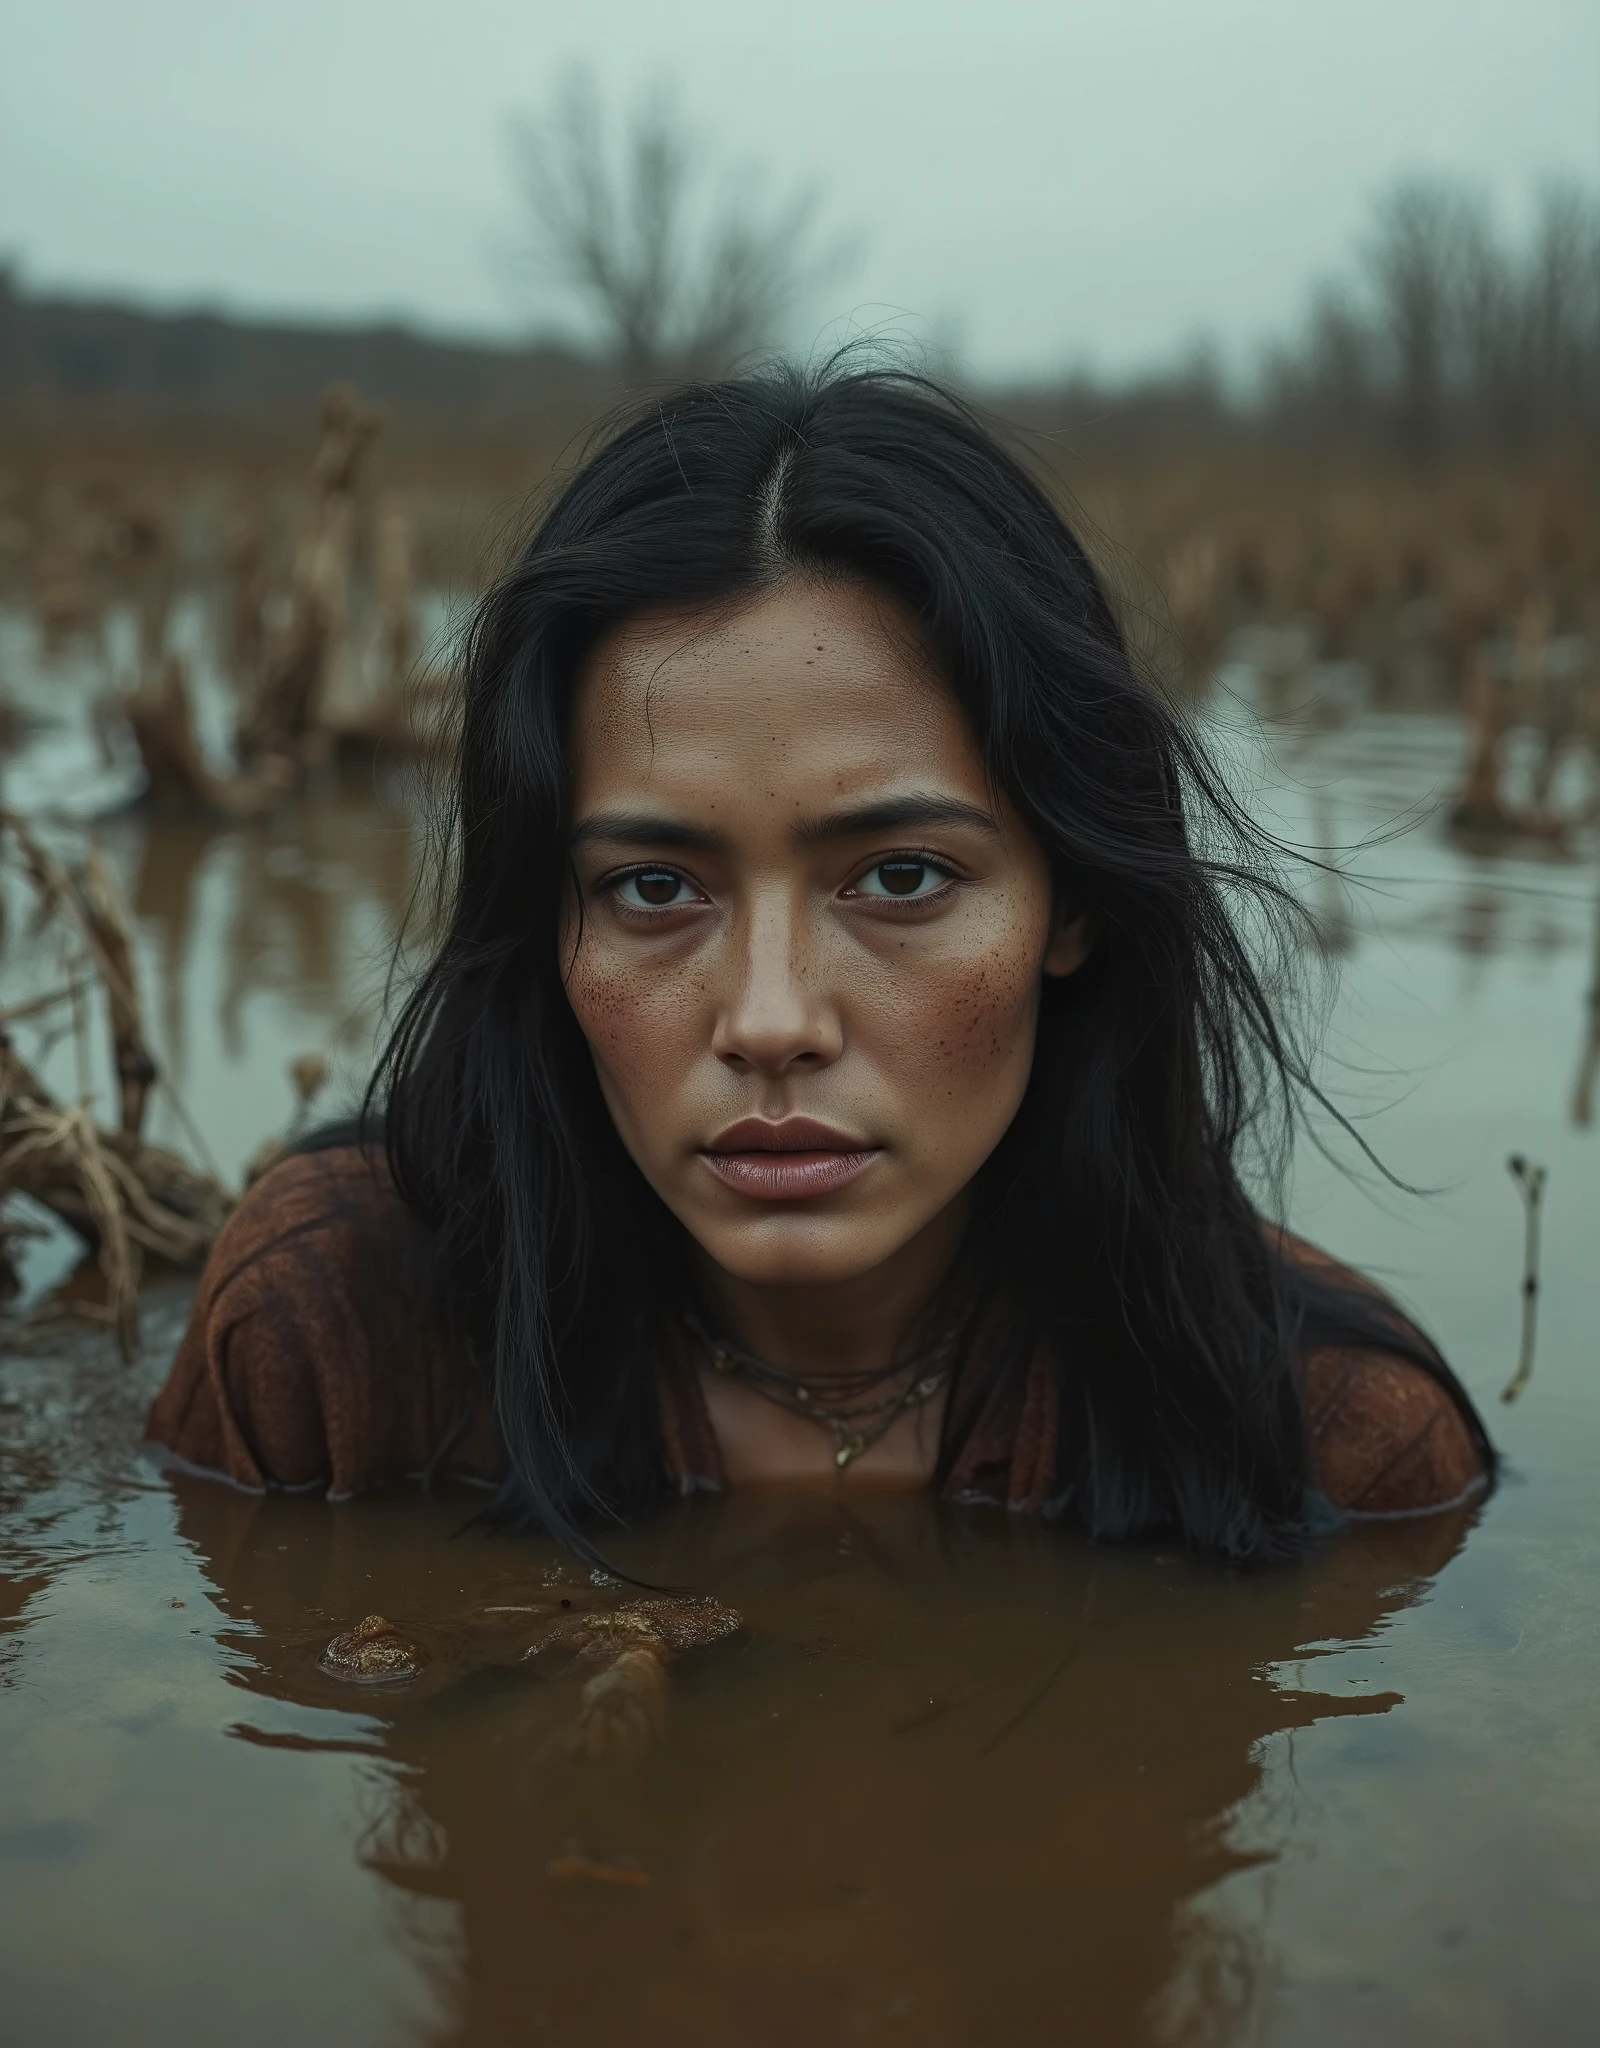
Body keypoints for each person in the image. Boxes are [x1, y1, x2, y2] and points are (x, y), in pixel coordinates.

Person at [147, 365, 1493, 1560]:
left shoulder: (1329, 1444)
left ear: (1070, 906)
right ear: (548, 928)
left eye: (901, 877)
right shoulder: (331, 1340)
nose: (770, 1021)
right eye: (655, 887)